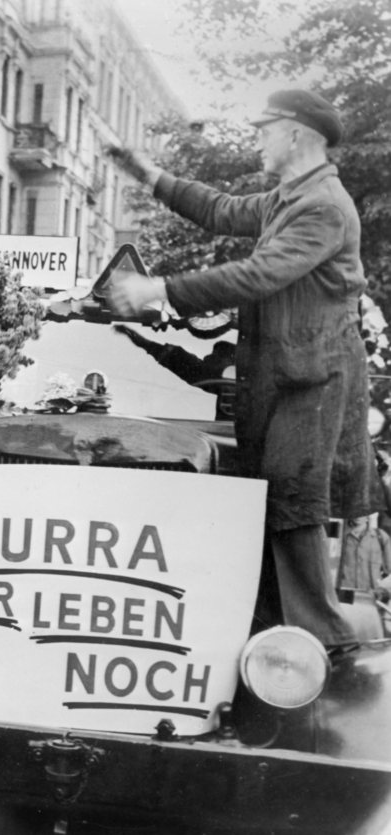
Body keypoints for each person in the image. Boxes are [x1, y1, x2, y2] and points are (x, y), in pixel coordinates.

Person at [108, 88, 383, 646]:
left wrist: (159, 288)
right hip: (284, 375)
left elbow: (258, 275)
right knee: (269, 496)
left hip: (313, 378)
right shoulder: (288, 198)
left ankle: (324, 643)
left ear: (297, 135)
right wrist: (151, 174)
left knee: (291, 497)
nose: (259, 140)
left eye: (265, 130)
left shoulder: (324, 205)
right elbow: (217, 210)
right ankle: (270, 633)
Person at [112, 325, 236, 386]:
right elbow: (154, 348)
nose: (207, 357)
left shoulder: (251, 385)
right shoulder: (202, 375)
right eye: (211, 355)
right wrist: (132, 335)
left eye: (217, 357)